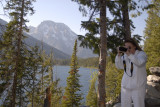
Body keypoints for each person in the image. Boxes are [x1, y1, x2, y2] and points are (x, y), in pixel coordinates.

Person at [115, 38, 147, 107]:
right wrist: (119, 55)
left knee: (139, 105)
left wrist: (129, 54)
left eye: (129, 47)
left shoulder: (141, 54)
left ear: (134, 46)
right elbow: (119, 66)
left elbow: (139, 63)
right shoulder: (125, 56)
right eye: (125, 47)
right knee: (125, 105)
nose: (127, 49)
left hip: (138, 86)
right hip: (126, 86)